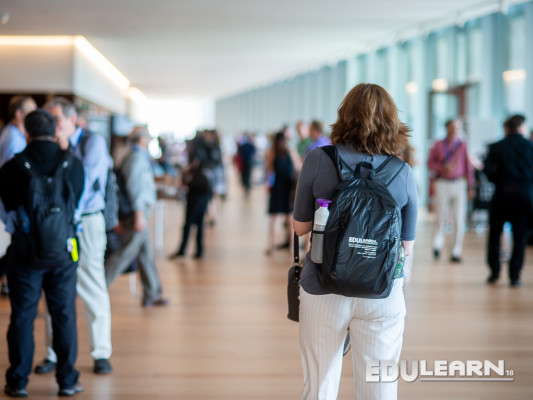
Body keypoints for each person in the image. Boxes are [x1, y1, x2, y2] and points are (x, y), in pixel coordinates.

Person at [293, 83, 417, 400]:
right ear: (392, 120)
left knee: (319, 386)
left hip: (323, 285)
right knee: (380, 390)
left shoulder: (318, 159)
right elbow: (406, 246)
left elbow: (300, 227)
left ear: (344, 116)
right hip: (381, 291)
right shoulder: (401, 171)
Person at [0, 109, 85, 397]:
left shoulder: (12, 167)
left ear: (26, 132)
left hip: (25, 252)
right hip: (64, 252)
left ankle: (18, 381)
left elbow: (6, 212)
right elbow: (77, 206)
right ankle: (68, 380)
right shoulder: (73, 165)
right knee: (64, 314)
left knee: (23, 316)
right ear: (56, 131)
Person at [33, 98, 114, 376]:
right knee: (55, 286)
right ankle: (53, 353)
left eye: (56, 119)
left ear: (72, 120)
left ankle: (101, 352)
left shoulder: (93, 143)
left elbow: (83, 182)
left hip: (87, 222)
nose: (53, 125)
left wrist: (65, 150)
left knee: (92, 282)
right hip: (60, 224)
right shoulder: (53, 146)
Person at [105, 126, 168, 307]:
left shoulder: (136, 157)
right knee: (126, 252)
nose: (149, 140)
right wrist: (139, 213)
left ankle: (152, 293)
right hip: (136, 213)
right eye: (147, 137)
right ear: (141, 139)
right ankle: (99, 286)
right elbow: (135, 188)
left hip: (139, 212)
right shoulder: (135, 159)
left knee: (145, 253)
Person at [484, 115, 533, 287]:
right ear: (521, 126)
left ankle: (494, 271)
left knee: (495, 234)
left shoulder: (497, 147)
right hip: (523, 195)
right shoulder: (530, 146)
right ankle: (515, 275)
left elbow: (488, 171)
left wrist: (498, 179)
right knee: (520, 236)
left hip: (502, 194)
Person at [0, 95, 37, 294]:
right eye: (31, 110)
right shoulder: (13, 138)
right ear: (19, 114)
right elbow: (10, 177)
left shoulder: (13, 134)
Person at [427, 119, 475, 263]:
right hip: (442, 182)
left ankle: (455, 251)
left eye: (458, 127)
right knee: (440, 216)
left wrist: (471, 186)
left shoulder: (462, 145)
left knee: (458, 218)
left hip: (459, 183)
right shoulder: (438, 145)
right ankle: (437, 244)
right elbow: (430, 163)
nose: (456, 129)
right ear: (447, 127)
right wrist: (442, 168)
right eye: (453, 126)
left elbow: (468, 166)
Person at [169, 131, 214, 259]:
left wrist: (185, 173)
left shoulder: (197, 153)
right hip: (203, 192)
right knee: (199, 222)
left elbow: (193, 167)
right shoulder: (206, 150)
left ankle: (183, 249)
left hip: (196, 192)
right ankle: (199, 250)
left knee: (189, 222)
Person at [265, 132, 295, 255]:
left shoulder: (271, 152)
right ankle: (293, 247)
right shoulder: (290, 151)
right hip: (289, 188)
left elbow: (269, 170)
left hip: (277, 188)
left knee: (275, 219)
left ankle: (271, 246)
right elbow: (298, 166)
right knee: (291, 219)